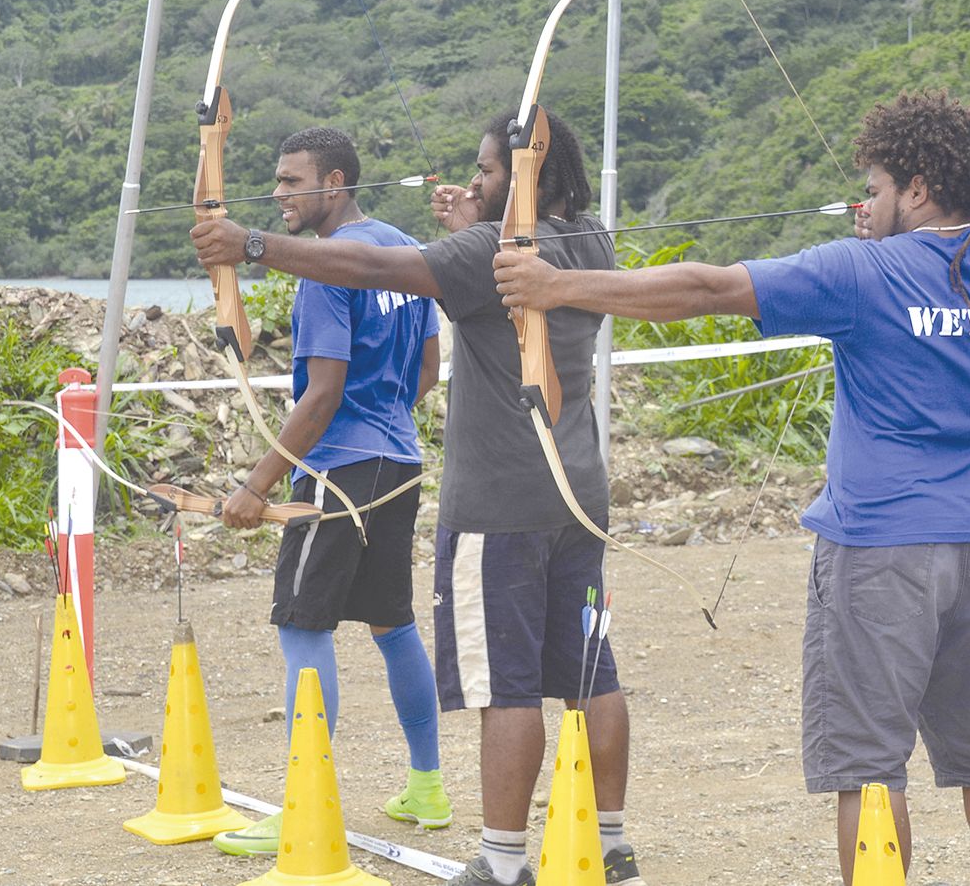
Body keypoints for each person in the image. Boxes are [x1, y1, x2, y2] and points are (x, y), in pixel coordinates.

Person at [492, 91, 970, 886]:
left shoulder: (860, 272)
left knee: (868, 766)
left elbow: (708, 288)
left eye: (878, 187)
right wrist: (891, 230)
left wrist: (555, 286)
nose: (866, 201)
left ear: (919, 189)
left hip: (878, 551)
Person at [192, 112, 644, 886]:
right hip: (574, 492)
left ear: (530, 177)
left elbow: (366, 276)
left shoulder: (481, 252)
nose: (473, 182)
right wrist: (477, 225)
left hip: (493, 500)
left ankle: (499, 861)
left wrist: (252, 246)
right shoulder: (589, 240)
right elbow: (433, 342)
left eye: (489, 172)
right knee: (587, 670)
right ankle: (607, 842)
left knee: (501, 683)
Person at [210, 127, 450, 856]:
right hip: (397, 459)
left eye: (290, 182)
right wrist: (383, 412)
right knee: (391, 621)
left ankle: (302, 803)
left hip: (340, 470)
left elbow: (321, 395)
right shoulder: (401, 247)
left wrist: (256, 484)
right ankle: (427, 787)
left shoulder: (321, 268)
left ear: (334, 181)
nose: (276, 195)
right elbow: (429, 371)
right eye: (274, 182)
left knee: (302, 624)